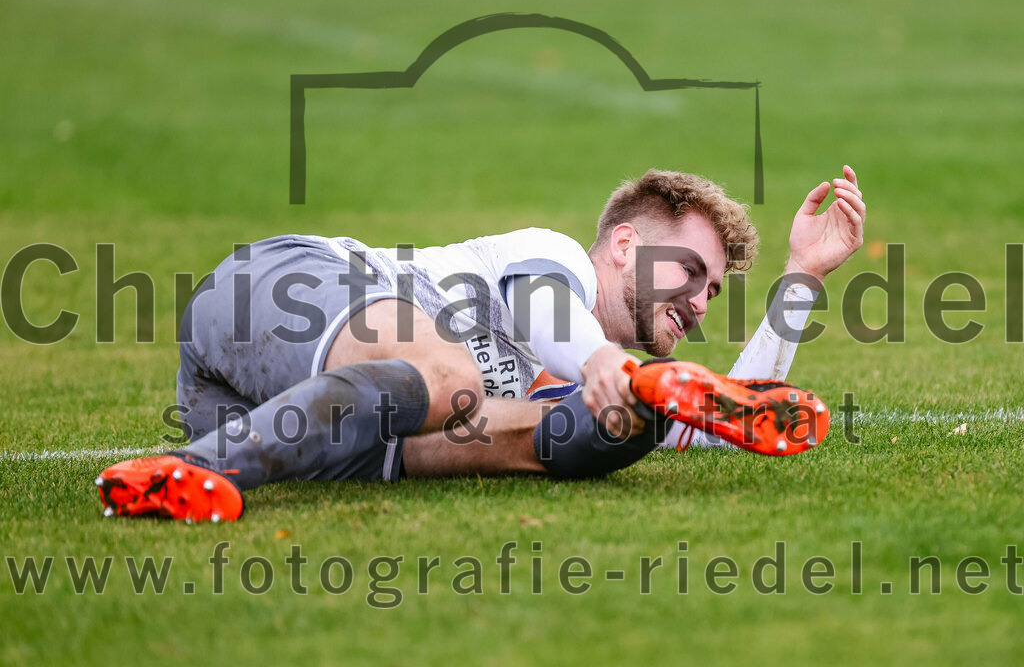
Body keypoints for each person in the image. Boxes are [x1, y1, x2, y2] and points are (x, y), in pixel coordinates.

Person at [94, 166, 865, 521]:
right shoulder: (554, 257)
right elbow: (542, 315)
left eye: (714, 292)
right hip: (275, 288)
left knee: (578, 428)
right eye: (691, 272)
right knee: (454, 383)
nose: (699, 302)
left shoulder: (582, 375)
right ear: (625, 244)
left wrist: (802, 276)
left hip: (253, 408)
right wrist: (605, 362)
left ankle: (194, 464)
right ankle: (186, 472)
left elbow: (723, 432)